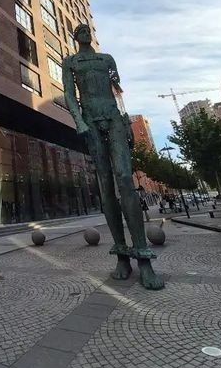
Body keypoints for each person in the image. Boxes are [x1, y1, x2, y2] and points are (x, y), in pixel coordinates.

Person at [63, 23, 164, 290]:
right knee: (105, 184)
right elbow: (69, 95)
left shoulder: (107, 59)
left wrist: (127, 121)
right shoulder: (71, 62)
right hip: (90, 119)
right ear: (75, 37)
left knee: (124, 177)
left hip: (113, 116)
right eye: (80, 31)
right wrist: (79, 121)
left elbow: (118, 93)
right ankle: (121, 255)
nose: (85, 33)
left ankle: (143, 257)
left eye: (87, 30)